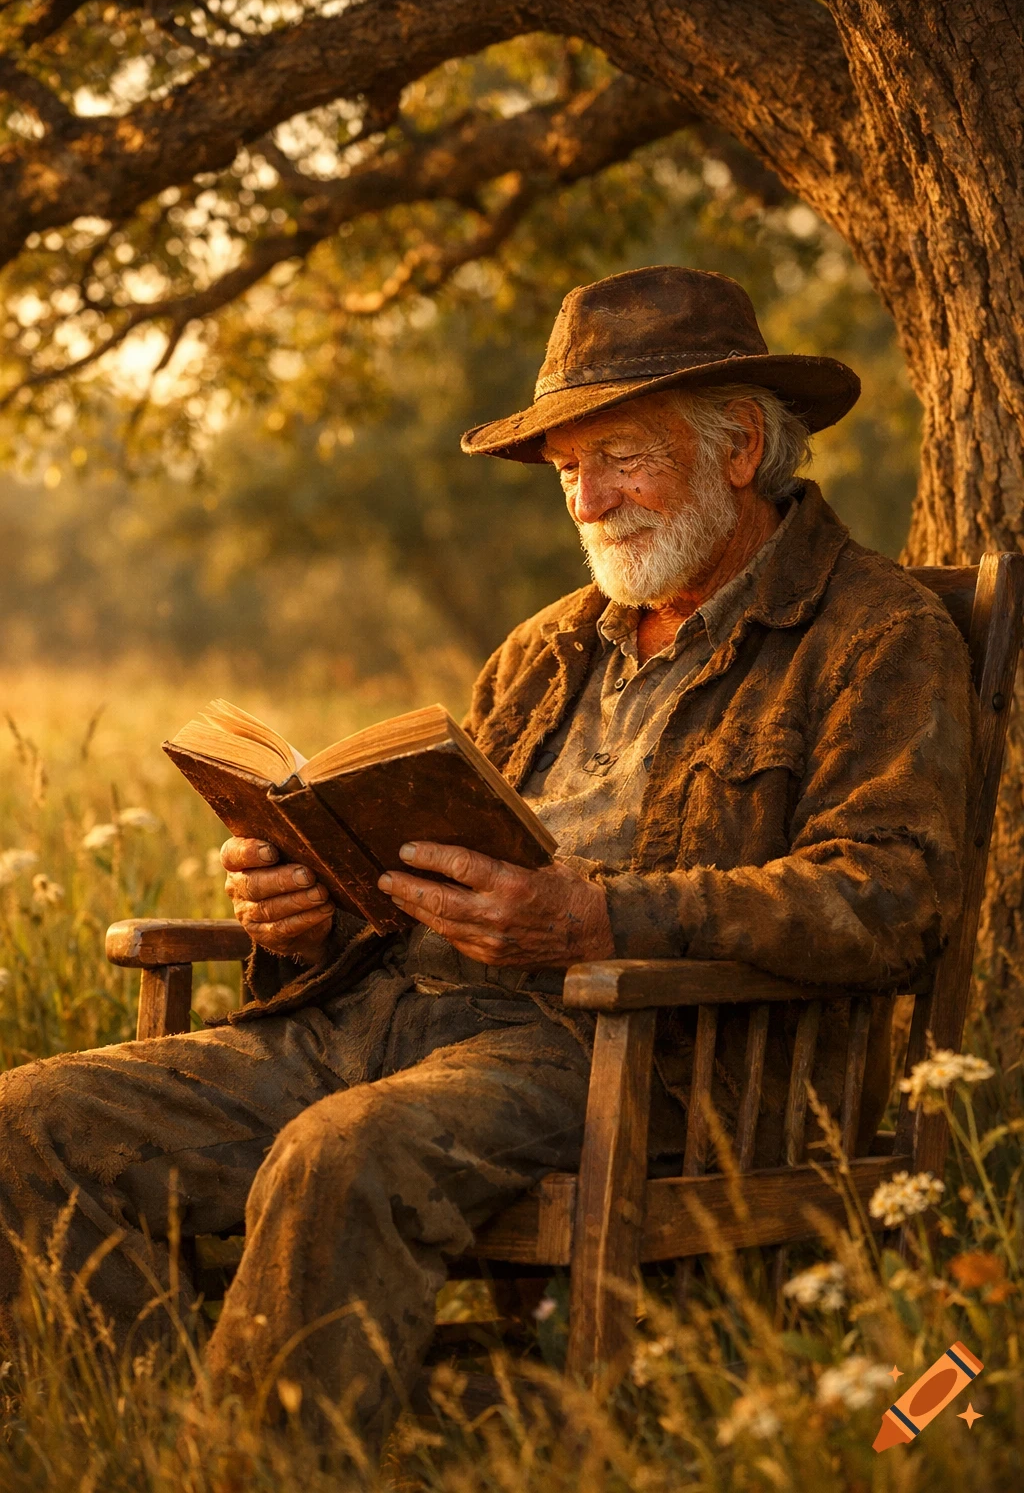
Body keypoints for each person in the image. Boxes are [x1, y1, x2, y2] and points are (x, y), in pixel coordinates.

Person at [0, 267, 973, 1452]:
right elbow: (438, 867)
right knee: (30, 1118)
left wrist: (602, 922)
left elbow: (893, 896)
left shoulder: (874, 633)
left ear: (740, 448)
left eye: (617, 456)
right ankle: (138, 1450)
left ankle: (254, 1475)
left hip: (617, 1050)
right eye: (568, 470)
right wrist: (310, 911)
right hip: (387, 1017)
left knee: (338, 1153)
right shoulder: (547, 646)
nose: (585, 501)